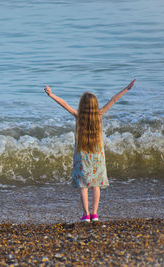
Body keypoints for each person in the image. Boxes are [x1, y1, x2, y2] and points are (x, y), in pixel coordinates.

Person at [44, 79, 136, 222]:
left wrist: (51, 94)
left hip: (82, 155)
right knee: (96, 185)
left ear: (82, 104)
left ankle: (86, 214)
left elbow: (65, 104)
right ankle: (95, 214)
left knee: (83, 185)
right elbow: (113, 100)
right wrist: (126, 88)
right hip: (97, 155)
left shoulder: (78, 115)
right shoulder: (99, 115)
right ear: (95, 105)